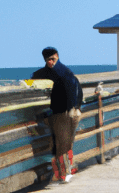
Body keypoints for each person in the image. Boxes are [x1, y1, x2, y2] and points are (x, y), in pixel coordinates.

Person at [31, 47, 83, 183]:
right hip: (65, 112)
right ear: (45, 60)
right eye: (49, 60)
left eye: (53, 59)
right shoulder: (65, 72)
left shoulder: (62, 72)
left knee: (63, 143)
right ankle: (65, 171)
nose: (51, 62)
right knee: (65, 143)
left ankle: (64, 173)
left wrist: (74, 107)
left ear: (57, 57)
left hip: (63, 113)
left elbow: (75, 88)